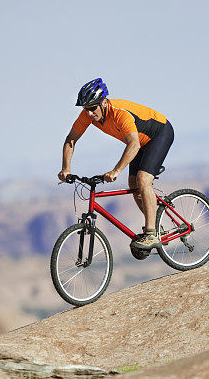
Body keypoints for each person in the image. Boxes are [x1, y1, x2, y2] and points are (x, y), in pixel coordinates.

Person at [58, 77, 174, 251]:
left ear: (104, 102)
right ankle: (157, 228)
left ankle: (151, 233)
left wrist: (116, 170)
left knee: (143, 180)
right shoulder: (87, 115)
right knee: (134, 185)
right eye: (85, 109)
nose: (88, 113)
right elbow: (71, 139)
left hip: (159, 134)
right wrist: (66, 168)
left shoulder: (120, 113)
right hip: (139, 143)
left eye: (91, 108)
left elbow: (133, 144)